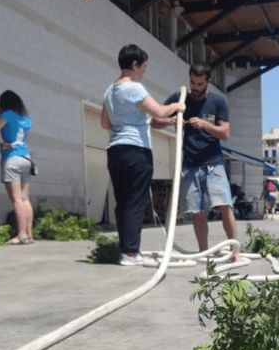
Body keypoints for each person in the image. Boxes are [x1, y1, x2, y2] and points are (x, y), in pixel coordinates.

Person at [101, 44, 185, 266]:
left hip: (115, 150)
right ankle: (130, 253)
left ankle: (126, 250)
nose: (144, 72)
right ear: (135, 65)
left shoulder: (109, 91)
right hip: (136, 150)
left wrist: (143, 121)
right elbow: (158, 110)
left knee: (124, 202)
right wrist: (178, 105)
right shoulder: (135, 88)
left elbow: (105, 123)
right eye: (144, 67)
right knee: (136, 202)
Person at [158, 64, 237, 260]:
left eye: (200, 83)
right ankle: (204, 252)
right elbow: (155, 119)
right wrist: (168, 121)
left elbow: (225, 133)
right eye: (192, 82)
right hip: (190, 165)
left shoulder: (218, 102)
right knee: (197, 211)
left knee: (225, 206)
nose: (195, 87)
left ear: (208, 81)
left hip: (213, 164)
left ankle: (236, 253)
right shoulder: (180, 98)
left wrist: (205, 125)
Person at [0, 90, 33, 245]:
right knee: (25, 198)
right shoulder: (26, 119)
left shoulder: (7, 114)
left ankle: (21, 234)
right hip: (26, 158)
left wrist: (2, 142)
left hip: (12, 158)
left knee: (16, 199)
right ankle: (29, 234)